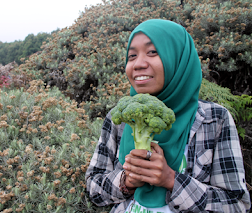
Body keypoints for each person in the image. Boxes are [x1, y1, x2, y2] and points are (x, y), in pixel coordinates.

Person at [85, 19, 251, 213]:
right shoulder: (119, 118)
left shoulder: (215, 119)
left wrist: (171, 180)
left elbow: (237, 204)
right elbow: (93, 188)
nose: (138, 64)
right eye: (131, 56)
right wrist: (126, 181)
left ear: (179, 58)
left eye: (153, 52)